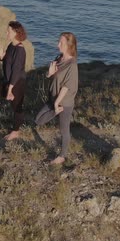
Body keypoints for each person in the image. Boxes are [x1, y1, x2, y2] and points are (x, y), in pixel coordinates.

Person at [35, 32, 79, 164]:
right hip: (53, 99)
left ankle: (62, 156)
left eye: (61, 43)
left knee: (64, 130)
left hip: (64, 103)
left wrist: (57, 103)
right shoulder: (59, 58)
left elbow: (66, 87)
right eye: (58, 42)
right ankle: (55, 112)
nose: (57, 45)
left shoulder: (72, 65)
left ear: (69, 45)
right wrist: (50, 74)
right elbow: (54, 76)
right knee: (38, 120)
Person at [0, 21, 27, 141]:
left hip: (16, 82)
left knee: (17, 108)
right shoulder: (11, 45)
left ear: (15, 32)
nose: (6, 33)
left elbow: (16, 70)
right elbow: (8, 61)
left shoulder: (20, 50)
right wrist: (2, 57)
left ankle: (15, 132)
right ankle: (8, 98)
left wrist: (10, 89)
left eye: (8, 31)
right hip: (7, 79)